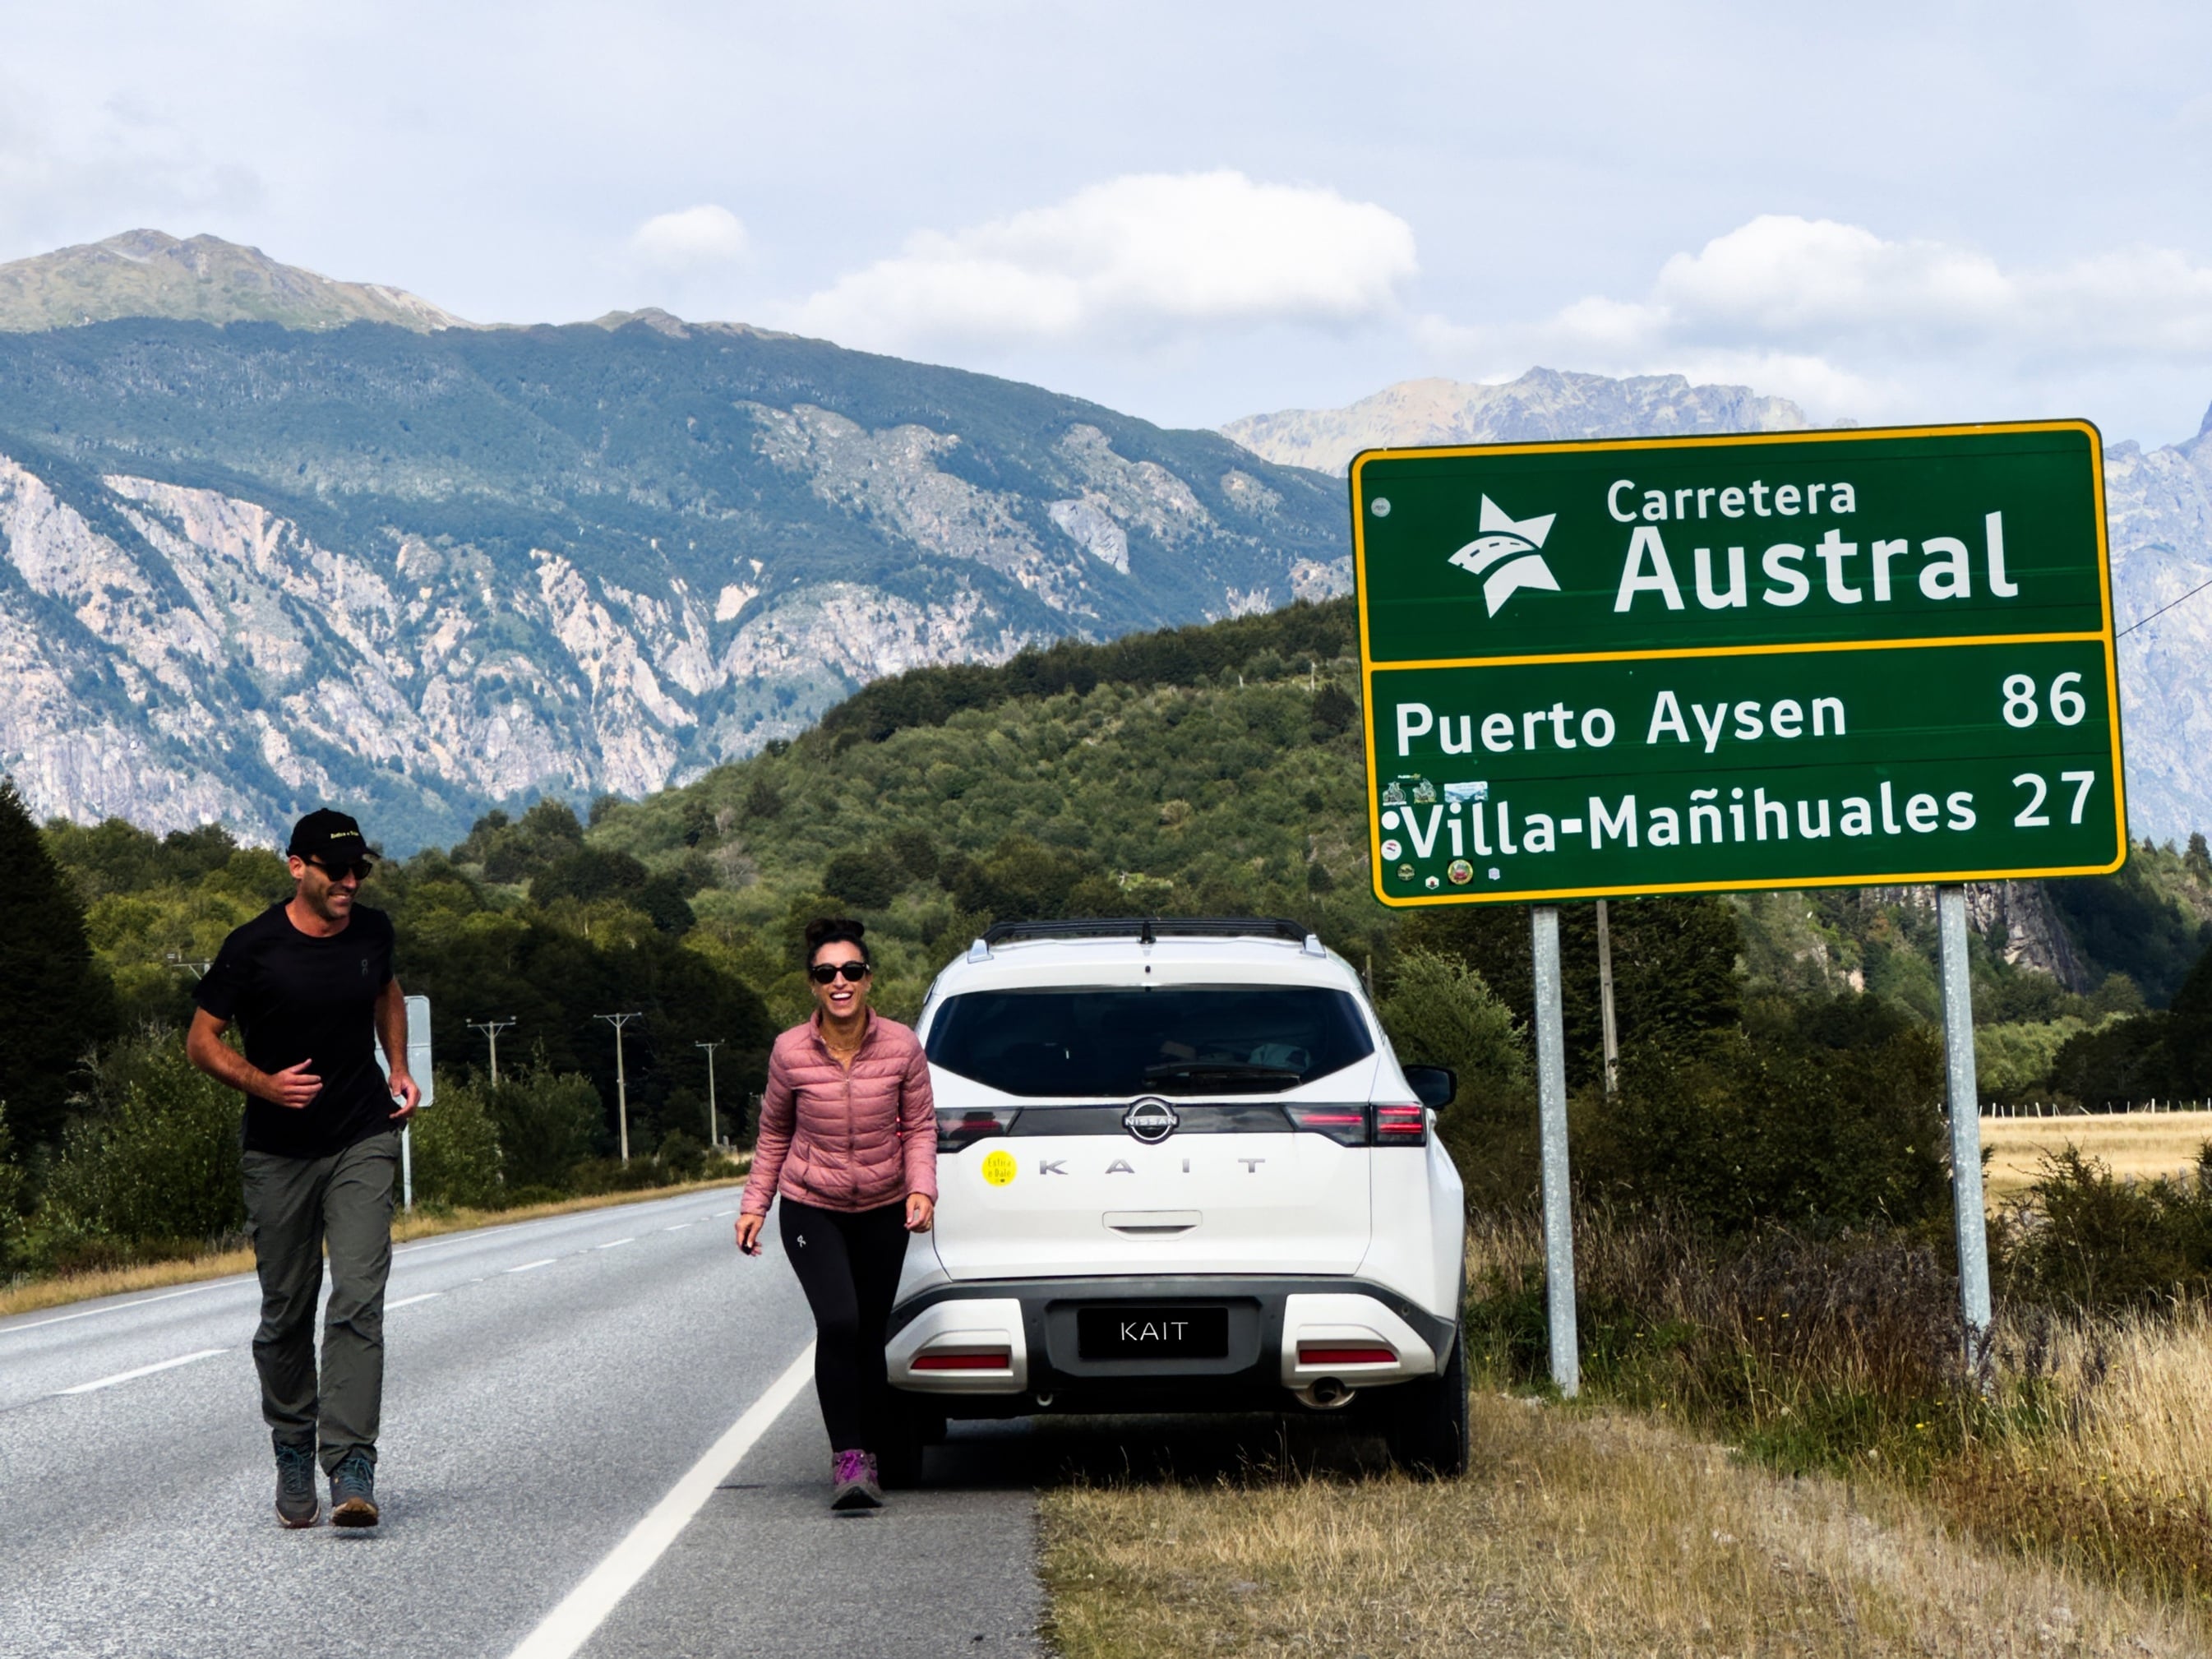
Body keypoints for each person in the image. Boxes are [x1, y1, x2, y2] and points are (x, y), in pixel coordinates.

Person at [186, 808, 419, 1530]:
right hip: (278, 1153)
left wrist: (398, 1066)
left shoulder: (372, 932)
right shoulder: (253, 947)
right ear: (298, 867)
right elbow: (201, 1041)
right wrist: (265, 1084)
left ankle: (351, 1462)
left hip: (361, 1136)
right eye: (336, 870)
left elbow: (386, 992)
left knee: (357, 1299)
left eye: (359, 870)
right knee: (286, 1310)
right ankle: (293, 1444)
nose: (350, 882)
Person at [736, 917, 936, 1510]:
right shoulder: (789, 1051)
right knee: (840, 1322)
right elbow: (774, 1132)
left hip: (882, 1206)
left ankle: (872, 1452)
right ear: (813, 985)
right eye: (827, 974)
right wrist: (755, 1205)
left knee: (869, 1333)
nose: (839, 982)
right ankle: (848, 1457)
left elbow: (920, 1127)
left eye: (850, 971)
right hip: (811, 1207)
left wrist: (921, 1189)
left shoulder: (901, 1045)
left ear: (868, 979)